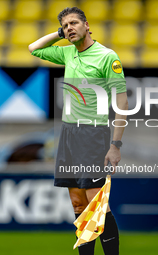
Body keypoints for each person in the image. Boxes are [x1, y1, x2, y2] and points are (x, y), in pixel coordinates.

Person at [28, 7, 129, 255]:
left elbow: (122, 103)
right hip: (68, 134)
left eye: (74, 23)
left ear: (87, 25)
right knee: (78, 204)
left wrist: (115, 146)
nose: (69, 28)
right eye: (65, 26)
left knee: (96, 204)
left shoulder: (107, 57)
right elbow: (34, 48)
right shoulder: (68, 53)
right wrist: (59, 34)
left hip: (93, 135)